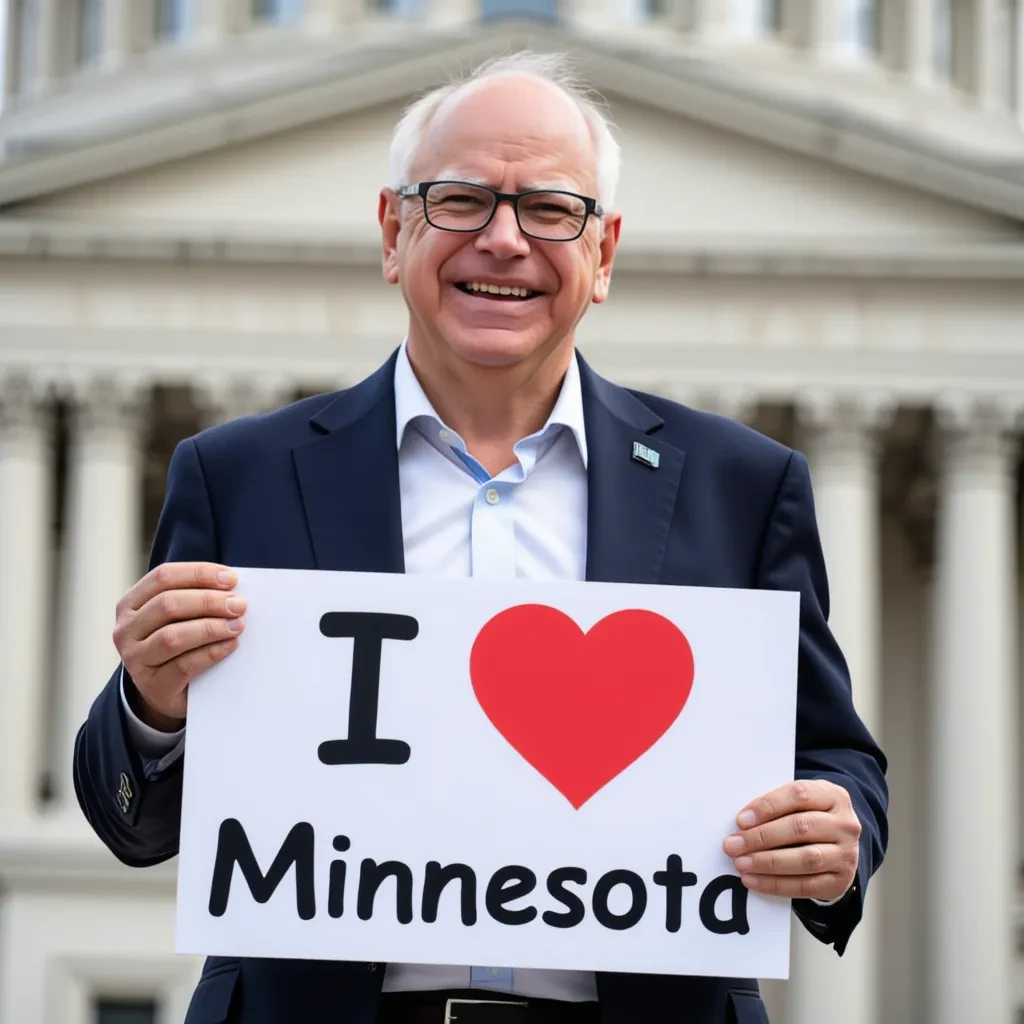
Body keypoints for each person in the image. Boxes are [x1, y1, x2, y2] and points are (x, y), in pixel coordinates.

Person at [74, 51, 887, 1024]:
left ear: (604, 253)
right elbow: (136, 818)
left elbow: (836, 759)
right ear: (392, 231)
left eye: (549, 210)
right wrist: (154, 703)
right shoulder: (240, 474)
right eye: (459, 200)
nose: (502, 240)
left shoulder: (741, 487)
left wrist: (834, 840)